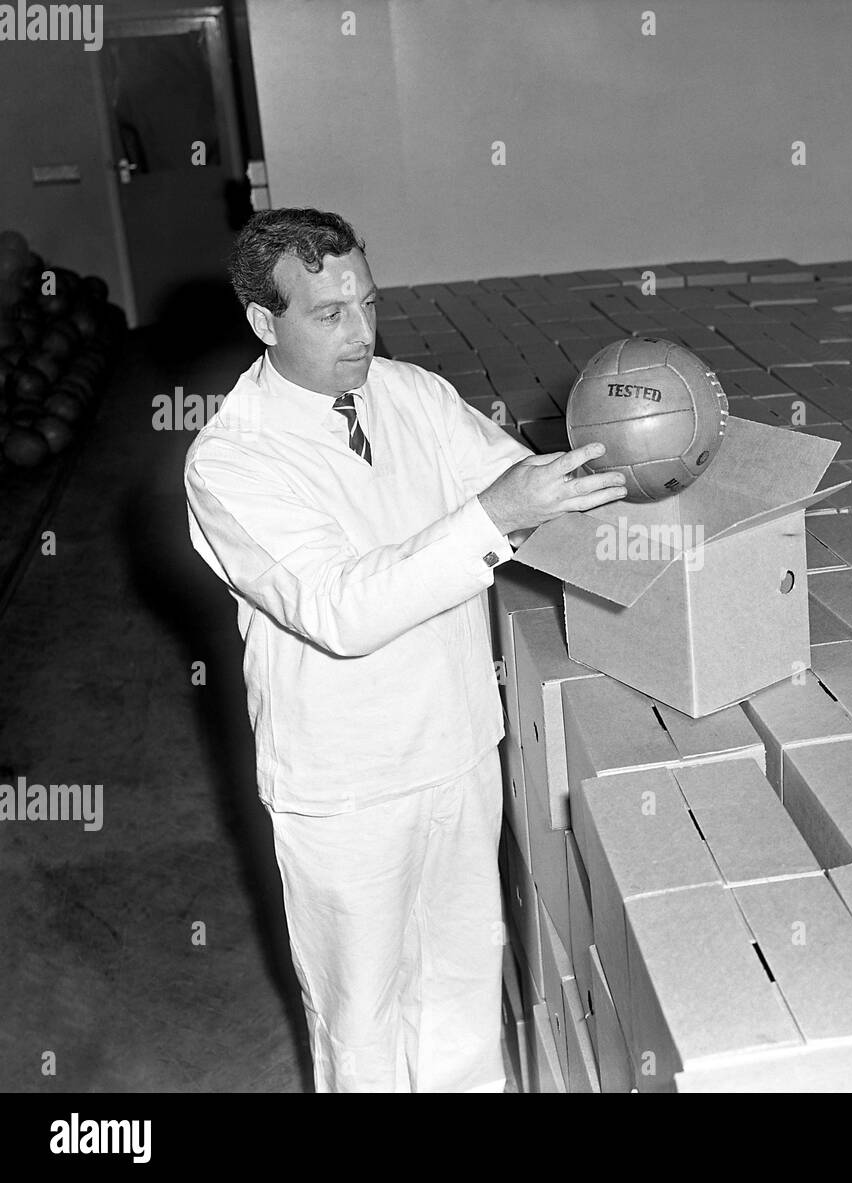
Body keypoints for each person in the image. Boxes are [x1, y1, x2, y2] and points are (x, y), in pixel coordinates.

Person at [183, 208, 625, 1092]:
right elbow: (341, 607)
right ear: (263, 323)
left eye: (368, 303)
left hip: (456, 746)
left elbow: (520, 492)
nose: (359, 333)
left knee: (463, 987)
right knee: (362, 1017)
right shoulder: (230, 463)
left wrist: (642, 487)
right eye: (328, 314)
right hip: (346, 785)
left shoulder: (412, 394)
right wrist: (500, 514)